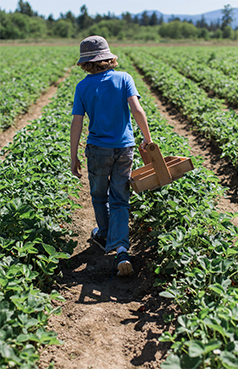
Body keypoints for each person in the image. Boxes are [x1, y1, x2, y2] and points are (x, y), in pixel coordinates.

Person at [70, 35, 153, 277]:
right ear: (109, 57)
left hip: (97, 149)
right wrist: (148, 141)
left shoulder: (83, 86)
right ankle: (121, 250)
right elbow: (137, 110)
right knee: (120, 198)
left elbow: (77, 124)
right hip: (124, 147)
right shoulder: (124, 78)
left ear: (85, 63)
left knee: (98, 194)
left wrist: (73, 155)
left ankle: (104, 233)